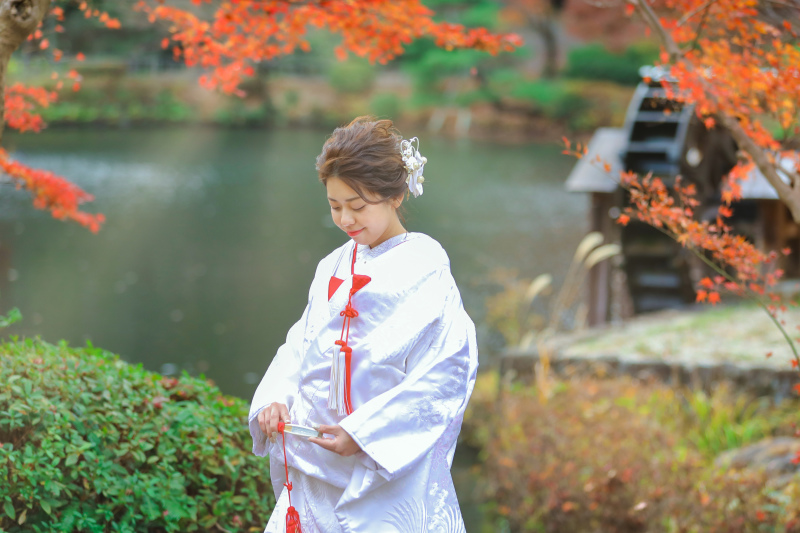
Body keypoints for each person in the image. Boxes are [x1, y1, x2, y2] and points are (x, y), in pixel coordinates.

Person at [248, 116, 478, 533]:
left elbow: (446, 372)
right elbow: (300, 344)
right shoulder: (332, 266)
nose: (346, 220)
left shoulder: (426, 270)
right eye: (335, 206)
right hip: (316, 454)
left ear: (395, 194)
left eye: (358, 206)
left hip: (383, 463)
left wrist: (365, 434)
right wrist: (274, 397)